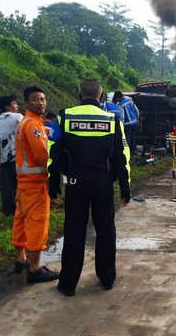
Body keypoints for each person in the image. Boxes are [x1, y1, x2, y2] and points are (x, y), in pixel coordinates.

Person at [49, 79, 131, 296]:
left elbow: (54, 153)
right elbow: (120, 158)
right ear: (101, 96)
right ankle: (106, 278)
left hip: (75, 183)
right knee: (105, 230)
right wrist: (125, 187)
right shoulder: (112, 120)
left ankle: (67, 285)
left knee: (74, 231)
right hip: (103, 184)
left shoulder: (64, 117)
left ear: (79, 95)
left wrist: (53, 184)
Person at [12, 86, 59, 283]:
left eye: (42, 99)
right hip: (35, 184)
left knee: (21, 220)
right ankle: (34, 268)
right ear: (26, 103)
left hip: (24, 183)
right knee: (37, 223)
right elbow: (42, 155)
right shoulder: (33, 125)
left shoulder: (28, 122)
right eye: (35, 99)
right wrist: (56, 169)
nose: (40, 103)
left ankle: (21, 259)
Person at [0, 95, 23, 217]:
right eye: (14, 103)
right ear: (7, 106)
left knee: (7, 187)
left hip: (4, 159)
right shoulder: (18, 117)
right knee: (22, 184)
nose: (17, 106)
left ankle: (8, 210)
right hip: (19, 158)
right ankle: (23, 208)